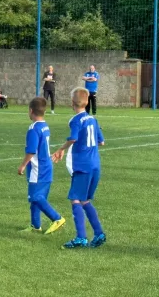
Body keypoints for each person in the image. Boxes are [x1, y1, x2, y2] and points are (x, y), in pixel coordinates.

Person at [52, 87, 106, 249]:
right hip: (95, 165)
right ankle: (98, 233)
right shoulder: (92, 119)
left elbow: (73, 138)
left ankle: (81, 237)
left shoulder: (75, 120)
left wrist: (61, 149)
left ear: (72, 103)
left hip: (82, 166)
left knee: (75, 199)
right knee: (85, 200)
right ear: (87, 101)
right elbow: (101, 141)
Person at [17, 97, 65, 234]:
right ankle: (35, 225)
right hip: (46, 166)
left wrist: (22, 165)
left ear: (31, 111)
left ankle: (57, 218)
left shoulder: (33, 129)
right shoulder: (45, 125)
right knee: (38, 198)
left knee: (35, 197)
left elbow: (31, 151)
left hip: (38, 169)